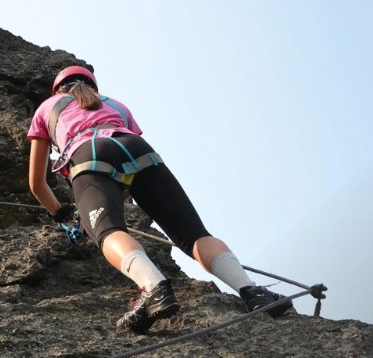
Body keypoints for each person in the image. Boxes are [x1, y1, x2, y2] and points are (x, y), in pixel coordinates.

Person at [27, 65, 292, 334]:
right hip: (138, 149)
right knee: (193, 234)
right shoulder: (115, 105)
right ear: (92, 85)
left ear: (57, 89)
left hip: (87, 153)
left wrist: (61, 213)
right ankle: (252, 291)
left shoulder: (47, 108)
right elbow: (127, 173)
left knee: (108, 232)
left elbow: (37, 183)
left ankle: (154, 289)